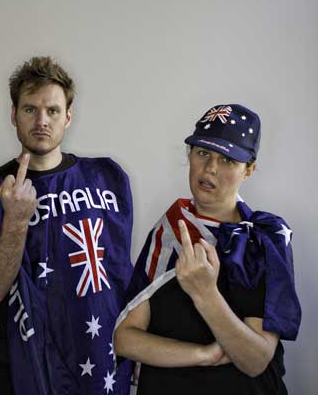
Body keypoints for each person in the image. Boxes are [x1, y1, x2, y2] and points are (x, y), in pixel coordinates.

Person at [0, 56, 134, 394]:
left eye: (52, 110)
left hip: (97, 360)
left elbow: (119, 272)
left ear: (68, 116)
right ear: (14, 115)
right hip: (23, 364)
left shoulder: (106, 178)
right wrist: (15, 220)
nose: (42, 121)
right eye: (30, 109)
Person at [113, 104, 301, 394]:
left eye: (227, 159)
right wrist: (204, 355)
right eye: (203, 153)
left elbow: (255, 360)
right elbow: (125, 339)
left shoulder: (262, 239)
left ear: (249, 170)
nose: (211, 168)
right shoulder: (169, 229)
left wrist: (205, 293)